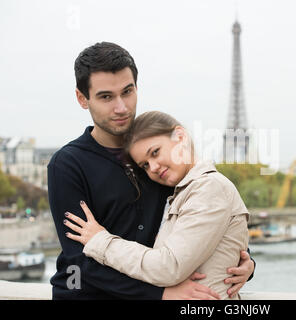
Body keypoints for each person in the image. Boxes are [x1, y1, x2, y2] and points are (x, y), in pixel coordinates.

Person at [48, 42, 255, 300]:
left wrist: (245, 262)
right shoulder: (67, 165)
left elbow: (201, 225)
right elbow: (78, 261)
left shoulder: (159, 161)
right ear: (82, 98)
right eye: (106, 97)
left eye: (128, 91)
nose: (121, 107)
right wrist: (158, 293)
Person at [64, 111, 250, 300]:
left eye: (155, 152)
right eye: (144, 165)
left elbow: (168, 267)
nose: (152, 167)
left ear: (180, 136)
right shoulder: (185, 192)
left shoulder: (209, 187)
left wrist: (101, 241)